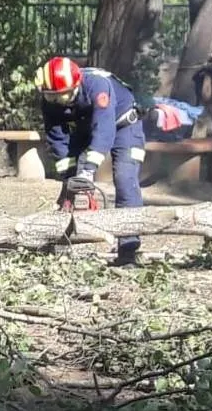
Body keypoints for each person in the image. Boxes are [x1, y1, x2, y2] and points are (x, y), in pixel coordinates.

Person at [37, 56, 147, 265]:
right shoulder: (50, 98)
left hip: (124, 126)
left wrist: (87, 170)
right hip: (87, 126)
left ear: (76, 85)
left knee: (125, 180)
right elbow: (57, 138)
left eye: (64, 95)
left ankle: (128, 250)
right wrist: (69, 176)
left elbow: (104, 130)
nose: (59, 101)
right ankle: (62, 242)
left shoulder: (98, 86)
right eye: (53, 97)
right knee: (69, 185)